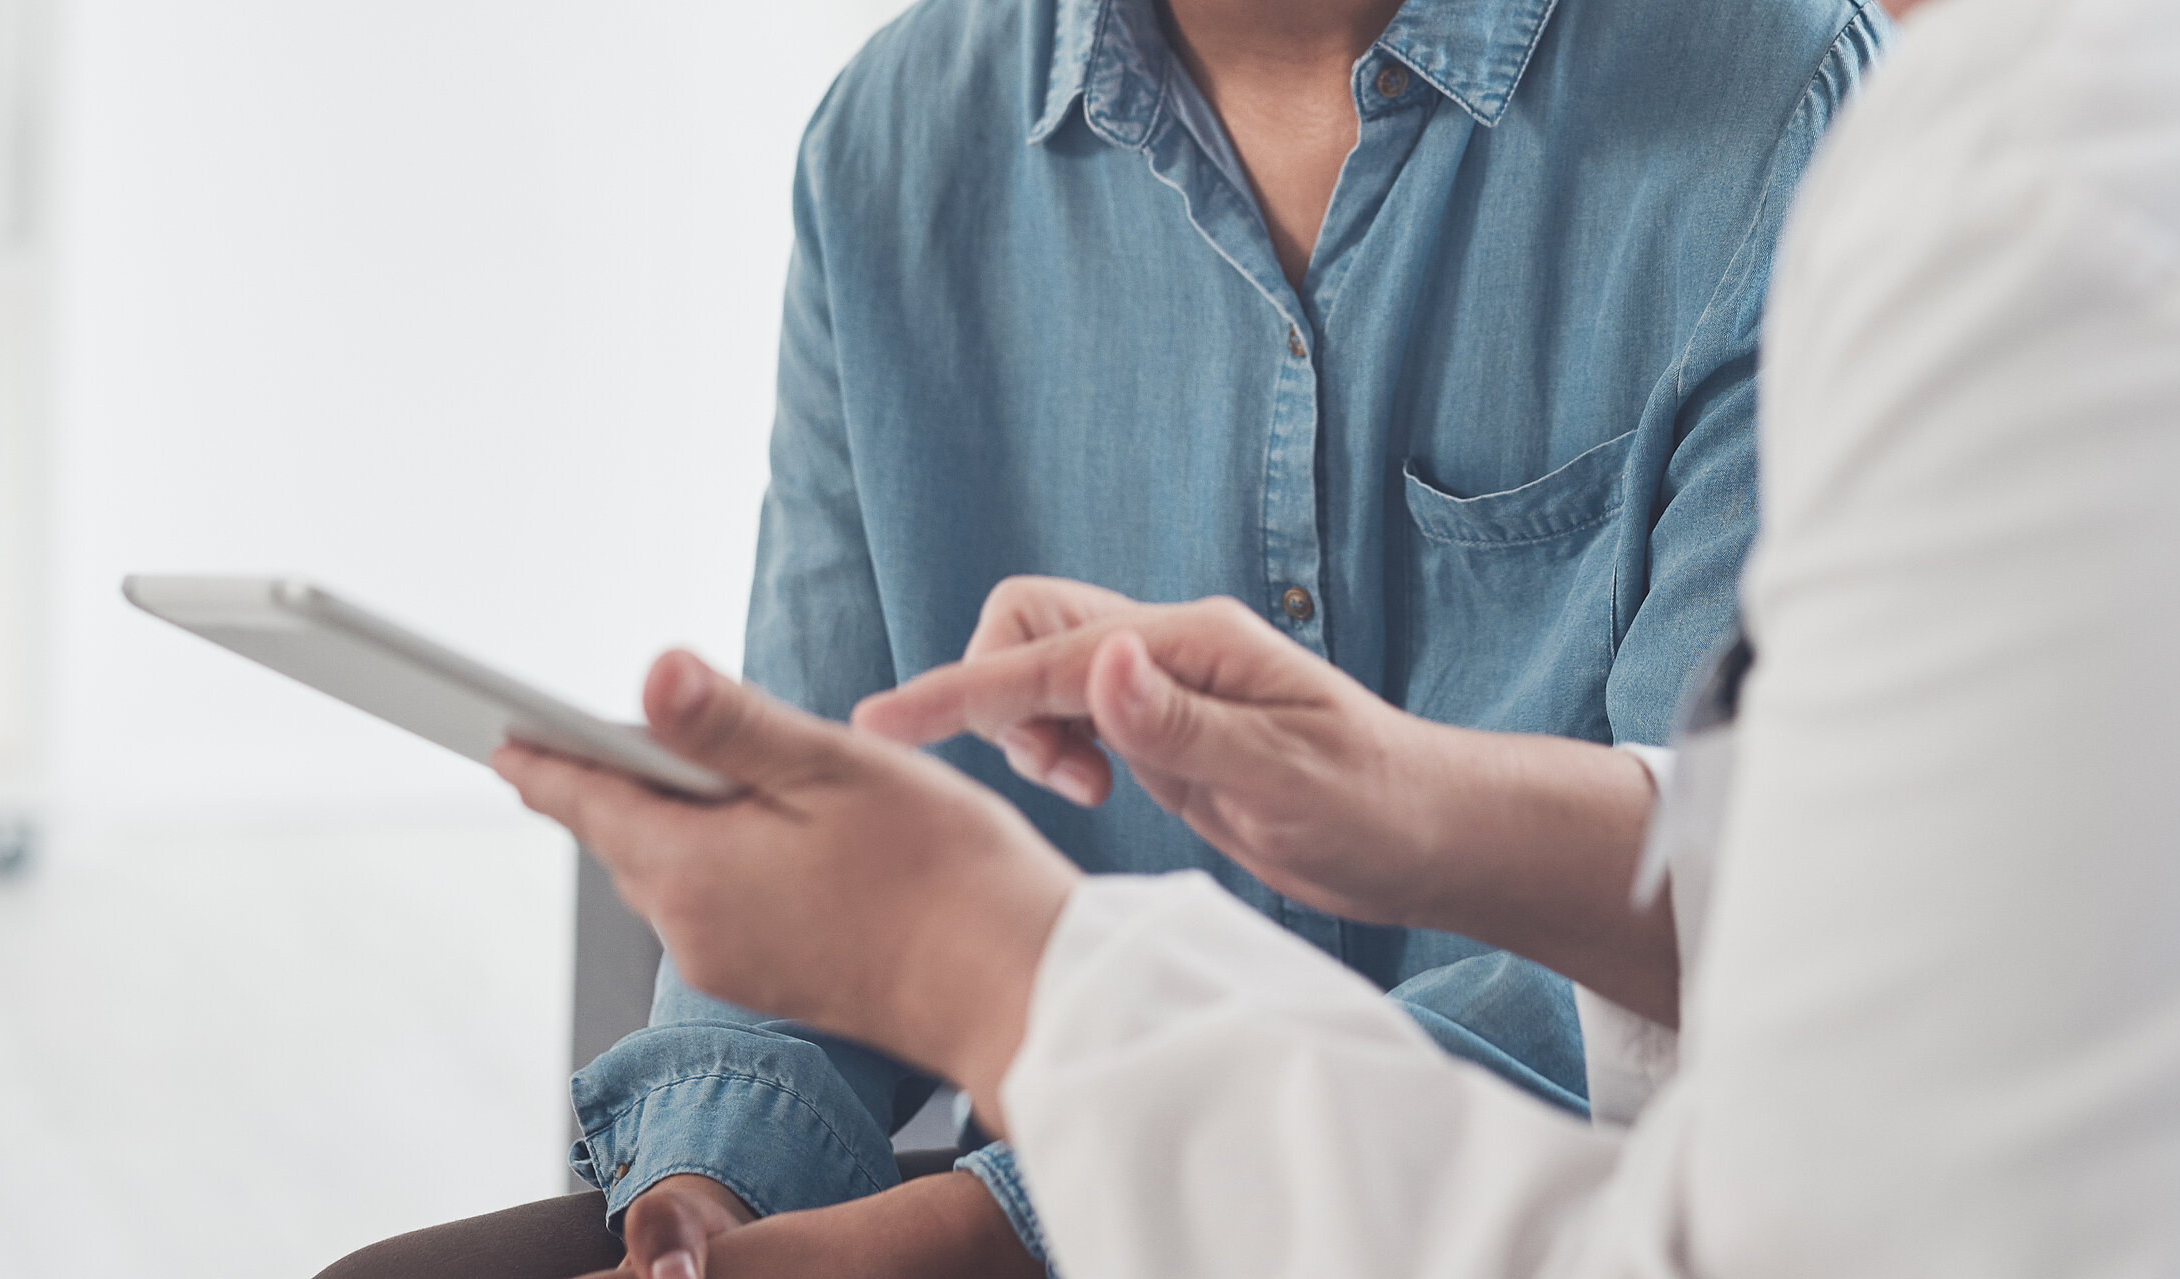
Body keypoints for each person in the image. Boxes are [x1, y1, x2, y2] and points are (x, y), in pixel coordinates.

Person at [492, 0, 2180, 1271]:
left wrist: (1008, 1088)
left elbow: (1739, 1141)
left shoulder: (1930, 166)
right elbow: (1836, 857)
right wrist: (707, 1186)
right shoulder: (895, 146)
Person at [319, 0, 1888, 1274]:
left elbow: (1709, 942)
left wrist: (988, 1229)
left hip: (1525, 1215)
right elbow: (814, 822)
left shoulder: (1778, 108)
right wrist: (706, 1200)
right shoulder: (892, 142)